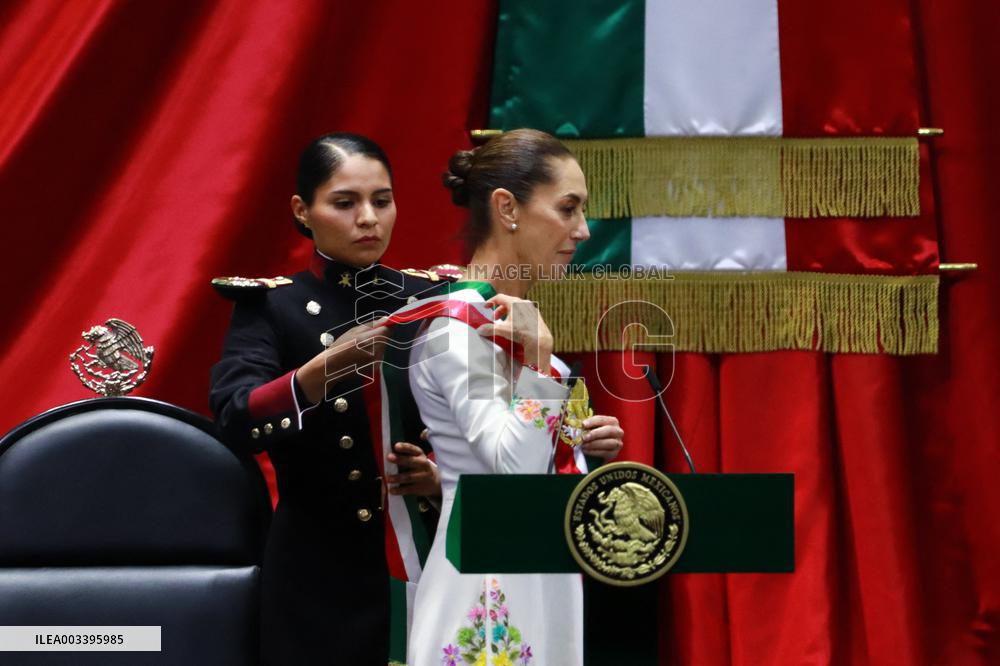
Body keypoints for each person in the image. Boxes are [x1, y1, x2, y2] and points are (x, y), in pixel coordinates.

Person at [209, 133, 441, 665]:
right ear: (302, 211)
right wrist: (322, 371)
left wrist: (439, 477)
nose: (368, 218)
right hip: (316, 571)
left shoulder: (432, 301)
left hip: (424, 555)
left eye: (382, 200)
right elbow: (234, 418)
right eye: (345, 202)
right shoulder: (273, 307)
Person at [405, 129, 625, 666]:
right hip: (484, 582)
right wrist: (538, 366)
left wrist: (583, 445)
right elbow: (513, 472)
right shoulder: (456, 331)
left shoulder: (519, 334)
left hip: (544, 575)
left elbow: (540, 464)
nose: (583, 229)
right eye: (568, 209)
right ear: (507, 208)